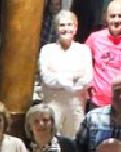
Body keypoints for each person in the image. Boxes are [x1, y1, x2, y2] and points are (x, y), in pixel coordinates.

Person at [38, 10, 92, 139]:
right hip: (52, 107)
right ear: (56, 28)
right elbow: (47, 79)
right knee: (50, 142)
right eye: (62, 25)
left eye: (69, 24)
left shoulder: (84, 50)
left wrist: (59, 76)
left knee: (72, 145)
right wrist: (72, 78)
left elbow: (87, 79)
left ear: (76, 27)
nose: (65, 28)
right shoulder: (47, 50)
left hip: (76, 108)